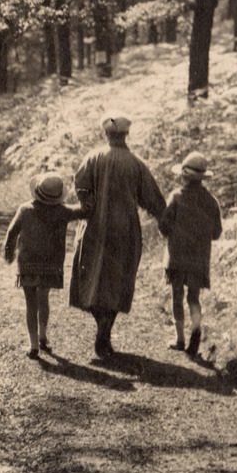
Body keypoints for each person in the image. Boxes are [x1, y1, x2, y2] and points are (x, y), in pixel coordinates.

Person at [68, 115, 167, 357]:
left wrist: (87, 204)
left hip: (94, 226)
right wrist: (165, 221)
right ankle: (106, 327)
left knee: (89, 275)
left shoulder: (93, 158)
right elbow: (152, 199)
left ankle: (100, 323)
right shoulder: (135, 163)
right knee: (118, 278)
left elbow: (79, 183)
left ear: (106, 134)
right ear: (125, 135)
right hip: (125, 230)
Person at [2, 174, 86, 357]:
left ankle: (33, 345)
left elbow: (11, 232)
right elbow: (83, 211)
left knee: (30, 304)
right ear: (58, 196)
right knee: (43, 299)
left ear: (37, 192)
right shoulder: (63, 211)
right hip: (51, 264)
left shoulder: (25, 210)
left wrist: (9, 252)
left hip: (28, 264)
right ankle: (43, 336)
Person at [158, 152, 223, 357]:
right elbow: (216, 233)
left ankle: (179, 339)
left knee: (177, 295)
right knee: (193, 297)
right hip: (199, 258)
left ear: (183, 176)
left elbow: (164, 225)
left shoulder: (176, 196)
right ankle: (196, 333)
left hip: (176, 256)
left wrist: (174, 234)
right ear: (203, 178)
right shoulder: (211, 201)